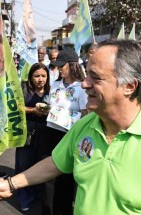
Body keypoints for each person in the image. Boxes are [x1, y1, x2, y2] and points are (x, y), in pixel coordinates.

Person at [0, 40, 141, 214]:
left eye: (96, 78)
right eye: (87, 76)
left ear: (129, 86)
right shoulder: (85, 125)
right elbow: (56, 163)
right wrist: (10, 184)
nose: (84, 84)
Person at [38, 49, 87, 215]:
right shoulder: (55, 84)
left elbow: (86, 114)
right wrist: (47, 110)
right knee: (47, 177)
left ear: (72, 65)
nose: (59, 69)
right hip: (50, 131)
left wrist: (68, 118)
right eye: (57, 66)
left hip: (69, 135)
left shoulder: (82, 87)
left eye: (62, 65)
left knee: (65, 178)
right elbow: (53, 105)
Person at [15, 63, 50, 211]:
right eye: (36, 76)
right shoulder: (24, 89)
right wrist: (32, 110)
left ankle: (38, 194)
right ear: (30, 77)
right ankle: (24, 198)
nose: (40, 79)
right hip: (27, 133)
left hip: (46, 134)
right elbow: (16, 107)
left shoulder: (52, 90)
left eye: (43, 76)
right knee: (24, 165)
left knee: (40, 165)